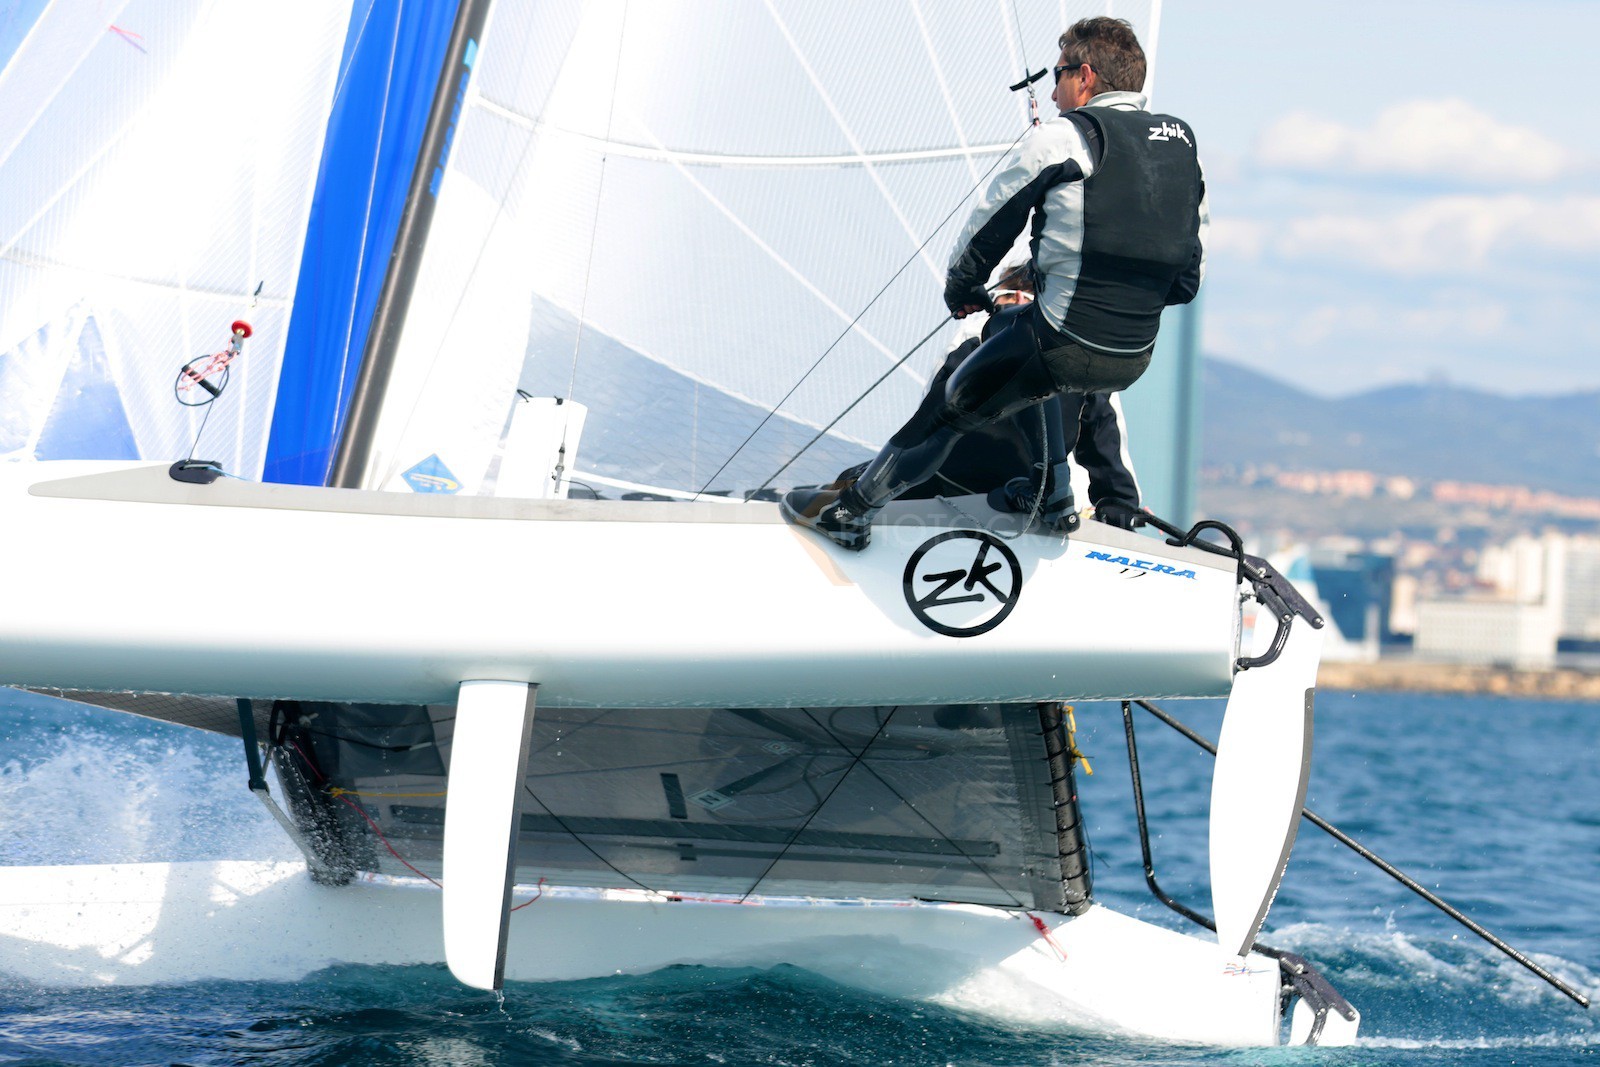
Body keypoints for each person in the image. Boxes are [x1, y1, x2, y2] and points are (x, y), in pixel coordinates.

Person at [783, 16, 1204, 550]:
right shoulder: (1181, 151)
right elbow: (1187, 279)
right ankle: (1054, 496)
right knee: (1015, 331)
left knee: (949, 409)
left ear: (1085, 76)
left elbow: (989, 226)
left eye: (1058, 75)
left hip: (1059, 344)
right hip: (1133, 356)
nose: (1052, 94)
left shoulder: (1063, 138)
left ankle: (851, 510)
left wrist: (962, 289)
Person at [825, 262, 1145, 532]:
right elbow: (929, 418)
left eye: (1028, 297)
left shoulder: (1081, 365)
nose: (1018, 301)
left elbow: (1106, 443)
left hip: (1027, 504)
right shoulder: (974, 336)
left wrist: (1119, 505)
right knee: (846, 487)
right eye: (1008, 295)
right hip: (950, 494)